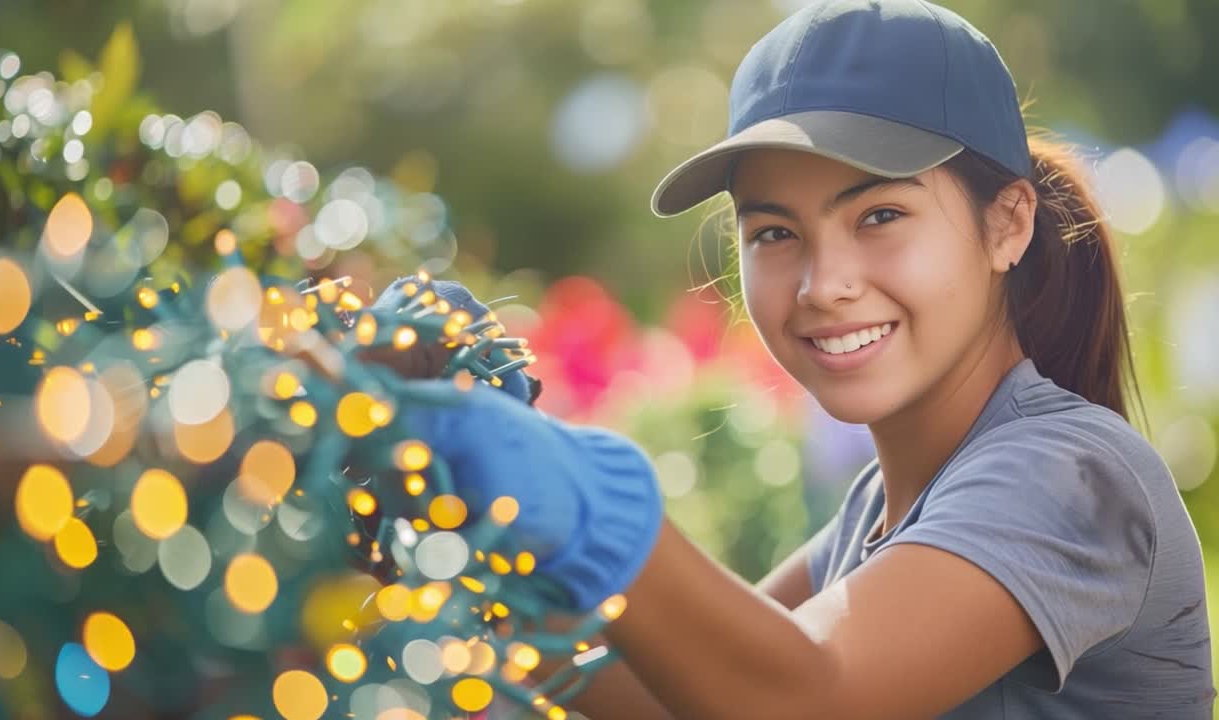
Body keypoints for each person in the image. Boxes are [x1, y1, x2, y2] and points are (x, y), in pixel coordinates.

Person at [398, 0, 1215, 717]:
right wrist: (461, 538)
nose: (824, 286)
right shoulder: (878, 508)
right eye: (775, 234)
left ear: (1007, 225)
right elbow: (681, 696)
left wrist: (583, 490)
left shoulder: (1070, 472)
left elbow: (802, 696)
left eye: (880, 215)